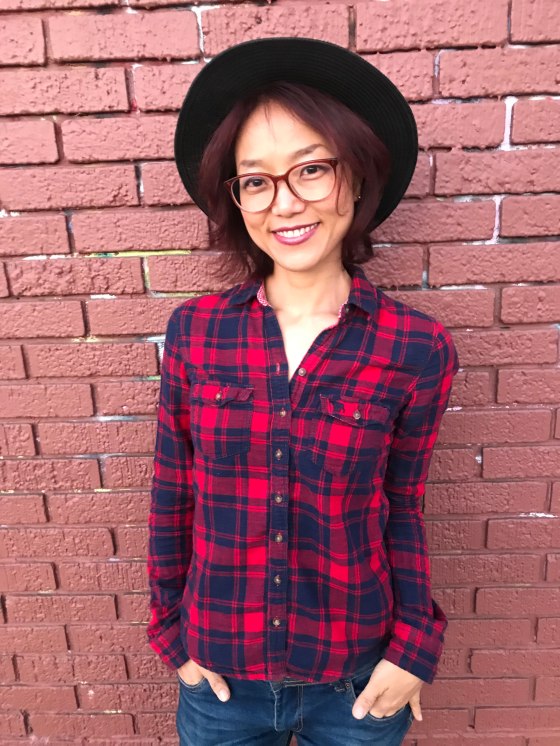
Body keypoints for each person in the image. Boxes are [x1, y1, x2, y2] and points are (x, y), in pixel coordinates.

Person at [147, 37, 460, 746]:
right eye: (256, 181)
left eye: (312, 169)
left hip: (357, 683)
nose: (285, 203)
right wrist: (172, 635)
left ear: (357, 177)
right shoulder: (196, 333)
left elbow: (403, 508)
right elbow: (173, 495)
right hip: (221, 680)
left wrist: (414, 646)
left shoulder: (415, 349)